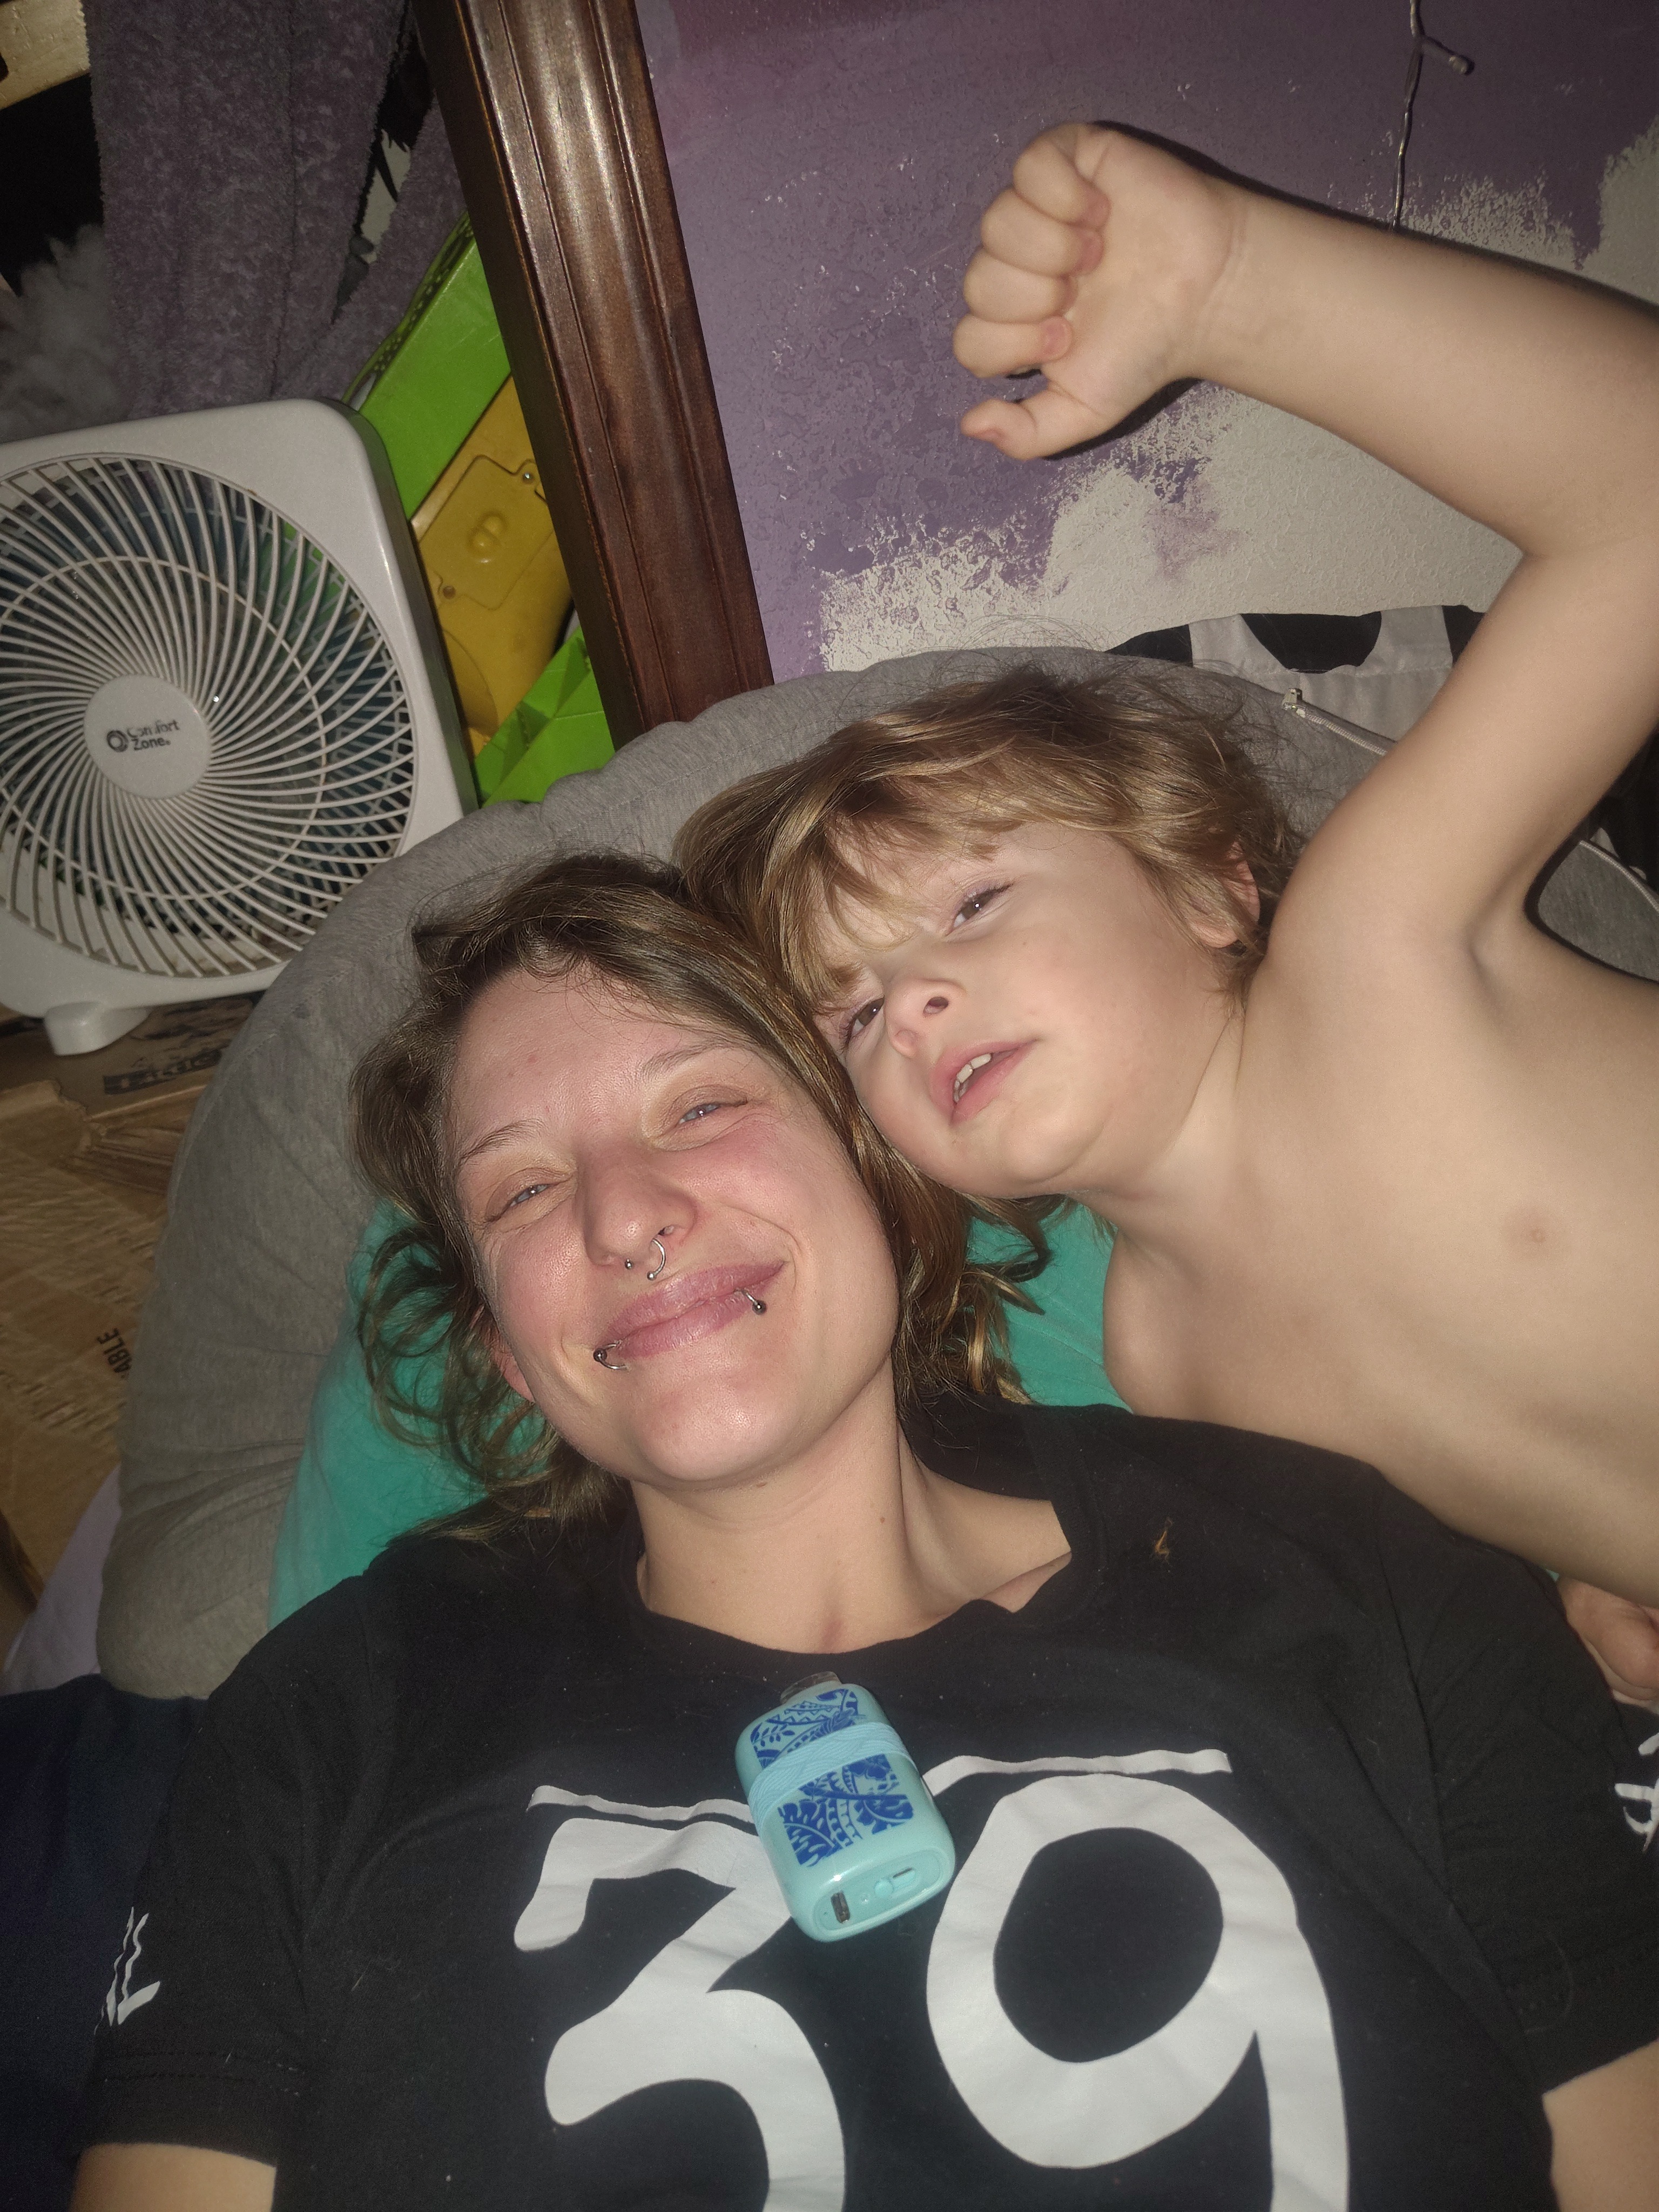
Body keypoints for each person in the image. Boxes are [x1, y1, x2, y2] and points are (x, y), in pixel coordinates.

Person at [74, 856, 1656, 2210]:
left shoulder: (1346, 1564)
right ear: (504, 1353)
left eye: (703, 1105)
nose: (626, 1216)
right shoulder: (335, 1715)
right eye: (526, 1194)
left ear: (878, 1178)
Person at [675, 124, 1659, 1628]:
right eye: (856, 1015)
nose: (914, 1003)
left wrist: (1238, 287)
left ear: (1209, 889)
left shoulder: (1371, 952)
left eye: (973, 906)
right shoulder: (1160, 1354)